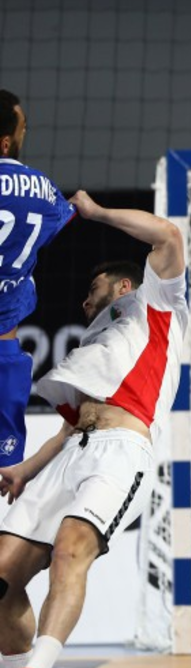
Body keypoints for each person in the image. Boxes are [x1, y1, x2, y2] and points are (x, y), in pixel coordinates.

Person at [0, 192, 186, 668]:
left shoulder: (156, 304)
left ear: (123, 286)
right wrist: (26, 469)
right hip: (72, 455)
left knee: (70, 550)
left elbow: (169, 235)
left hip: (121, 453)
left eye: (93, 288)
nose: (85, 302)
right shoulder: (94, 347)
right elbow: (68, 430)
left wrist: (97, 213)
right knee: (3, 578)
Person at [0, 90, 79, 469]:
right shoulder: (41, 189)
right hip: (4, 359)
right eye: (23, 127)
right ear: (5, 142)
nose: (25, 133)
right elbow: (63, 218)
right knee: (6, 473)